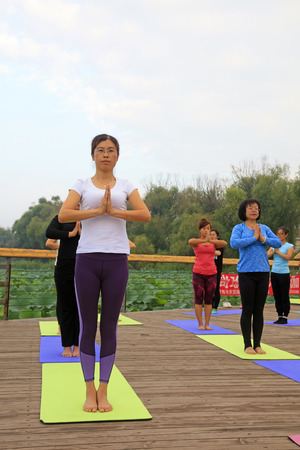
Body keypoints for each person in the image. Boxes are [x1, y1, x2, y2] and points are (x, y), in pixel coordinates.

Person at [58, 133, 151, 413]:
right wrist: (98, 210)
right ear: (93, 155)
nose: (106, 154)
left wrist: (115, 212)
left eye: (111, 150)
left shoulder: (126, 185)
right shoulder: (82, 184)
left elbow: (145, 214)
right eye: (100, 150)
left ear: (118, 156)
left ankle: (104, 389)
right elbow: (64, 215)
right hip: (86, 259)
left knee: (109, 327)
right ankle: (89, 391)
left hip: (116, 260)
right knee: (87, 327)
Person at [230, 199, 281, 355]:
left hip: (263, 273)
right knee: (247, 308)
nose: (254, 210)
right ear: (244, 211)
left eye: (257, 208)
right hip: (246, 272)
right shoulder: (239, 228)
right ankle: (247, 344)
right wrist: (254, 237)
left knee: (259, 310)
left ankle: (258, 344)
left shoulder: (264, 228)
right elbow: (234, 243)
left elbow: (278, 242)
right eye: (251, 208)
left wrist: (263, 239)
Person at [46, 215, 81, 357]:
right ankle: (67, 346)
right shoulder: (62, 218)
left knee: (79, 307)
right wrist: (70, 234)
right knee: (65, 305)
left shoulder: (89, 217)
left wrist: (81, 234)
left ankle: (78, 346)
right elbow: (49, 233)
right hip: (63, 266)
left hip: (83, 265)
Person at [189, 218, 227, 330]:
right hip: (198, 273)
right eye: (204, 228)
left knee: (209, 299)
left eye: (208, 228)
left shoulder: (213, 244)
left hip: (211, 273)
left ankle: (207, 324)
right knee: (199, 298)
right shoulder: (196, 243)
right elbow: (190, 241)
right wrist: (203, 240)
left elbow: (224, 243)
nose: (206, 231)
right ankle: (200, 324)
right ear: (200, 230)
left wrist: (210, 241)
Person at [267, 227, 294, 324]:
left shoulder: (289, 246)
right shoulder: (274, 245)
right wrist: (273, 251)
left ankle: (285, 316)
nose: (279, 235)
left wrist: (277, 251)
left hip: (284, 274)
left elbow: (288, 257)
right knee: (277, 295)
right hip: (274, 273)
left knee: (284, 295)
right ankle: (279, 315)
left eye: (281, 233)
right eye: (278, 233)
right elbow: (266, 255)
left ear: (286, 235)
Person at [210, 229, 225, 313]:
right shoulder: (208, 244)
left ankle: (215, 307)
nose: (211, 236)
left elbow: (218, 253)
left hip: (216, 271)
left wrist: (208, 249)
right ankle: (209, 305)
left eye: (213, 235)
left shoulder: (220, 245)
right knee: (208, 289)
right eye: (210, 235)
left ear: (217, 236)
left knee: (216, 288)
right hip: (208, 270)